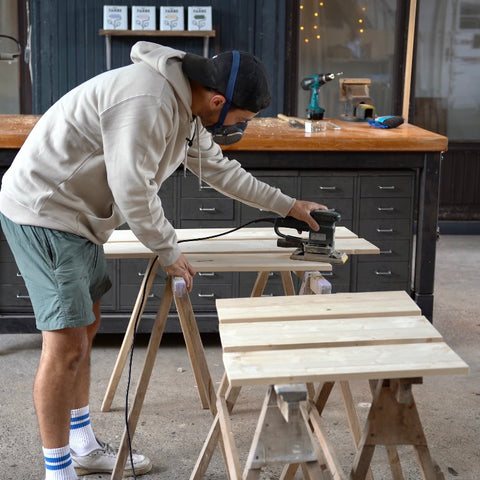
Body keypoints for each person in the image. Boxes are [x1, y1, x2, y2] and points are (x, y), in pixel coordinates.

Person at [0, 42, 326, 479]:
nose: (238, 128)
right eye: (240, 120)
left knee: (88, 327)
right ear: (217, 101)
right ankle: (57, 471)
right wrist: (170, 252)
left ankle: (81, 444)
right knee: (65, 346)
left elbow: (223, 171)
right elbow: (133, 190)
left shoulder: (186, 110)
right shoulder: (149, 100)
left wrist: (288, 206)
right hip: (45, 212)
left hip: (79, 218)